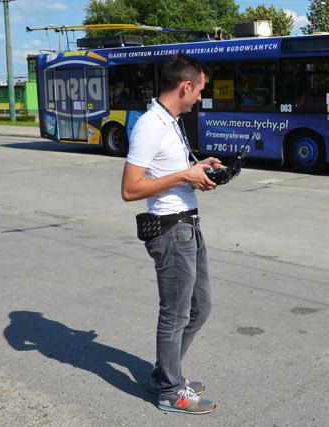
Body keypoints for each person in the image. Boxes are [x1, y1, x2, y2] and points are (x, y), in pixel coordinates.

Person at [121, 54, 221, 415]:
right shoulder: (150, 125)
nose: (200, 99)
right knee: (176, 313)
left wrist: (197, 169)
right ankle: (168, 389)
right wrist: (183, 177)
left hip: (188, 225)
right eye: (199, 91)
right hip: (169, 229)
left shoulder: (171, 121)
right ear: (185, 86)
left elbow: (171, 171)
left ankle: (169, 373)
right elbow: (130, 189)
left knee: (201, 307)